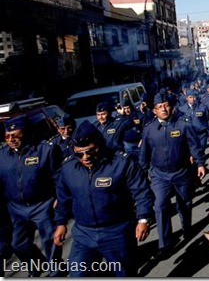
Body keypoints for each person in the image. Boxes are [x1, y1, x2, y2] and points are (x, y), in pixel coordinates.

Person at [52, 121, 154, 276]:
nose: (85, 157)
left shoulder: (122, 163)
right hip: (83, 234)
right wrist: (60, 223)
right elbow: (63, 197)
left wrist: (143, 219)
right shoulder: (68, 168)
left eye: (90, 151)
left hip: (116, 232)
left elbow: (142, 192)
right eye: (79, 153)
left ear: (99, 144)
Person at [140, 93, 206, 259]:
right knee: (161, 205)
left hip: (181, 172)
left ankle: (187, 228)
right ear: (154, 111)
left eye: (165, 105)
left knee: (184, 203)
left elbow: (194, 145)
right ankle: (165, 244)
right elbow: (144, 155)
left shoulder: (183, 124)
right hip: (159, 175)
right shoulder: (148, 129)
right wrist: (142, 173)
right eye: (159, 107)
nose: (163, 109)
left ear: (171, 107)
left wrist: (200, 163)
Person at [0, 116, 63, 276]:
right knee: (18, 244)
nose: (11, 139)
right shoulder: (2, 155)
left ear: (26, 133)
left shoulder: (46, 150)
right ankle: (38, 263)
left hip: (43, 204)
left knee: (50, 241)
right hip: (16, 207)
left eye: (16, 135)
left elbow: (59, 178)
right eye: (8, 136)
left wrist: (59, 199)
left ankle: (56, 273)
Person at [178, 89, 209, 155]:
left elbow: (208, 120)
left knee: (201, 152)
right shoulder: (182, 109)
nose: (193, 99)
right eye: (190, 97)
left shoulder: (202, 107)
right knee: (193, 153)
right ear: (187, 98)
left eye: (194, 97)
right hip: (190, 136)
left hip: (202, 134)